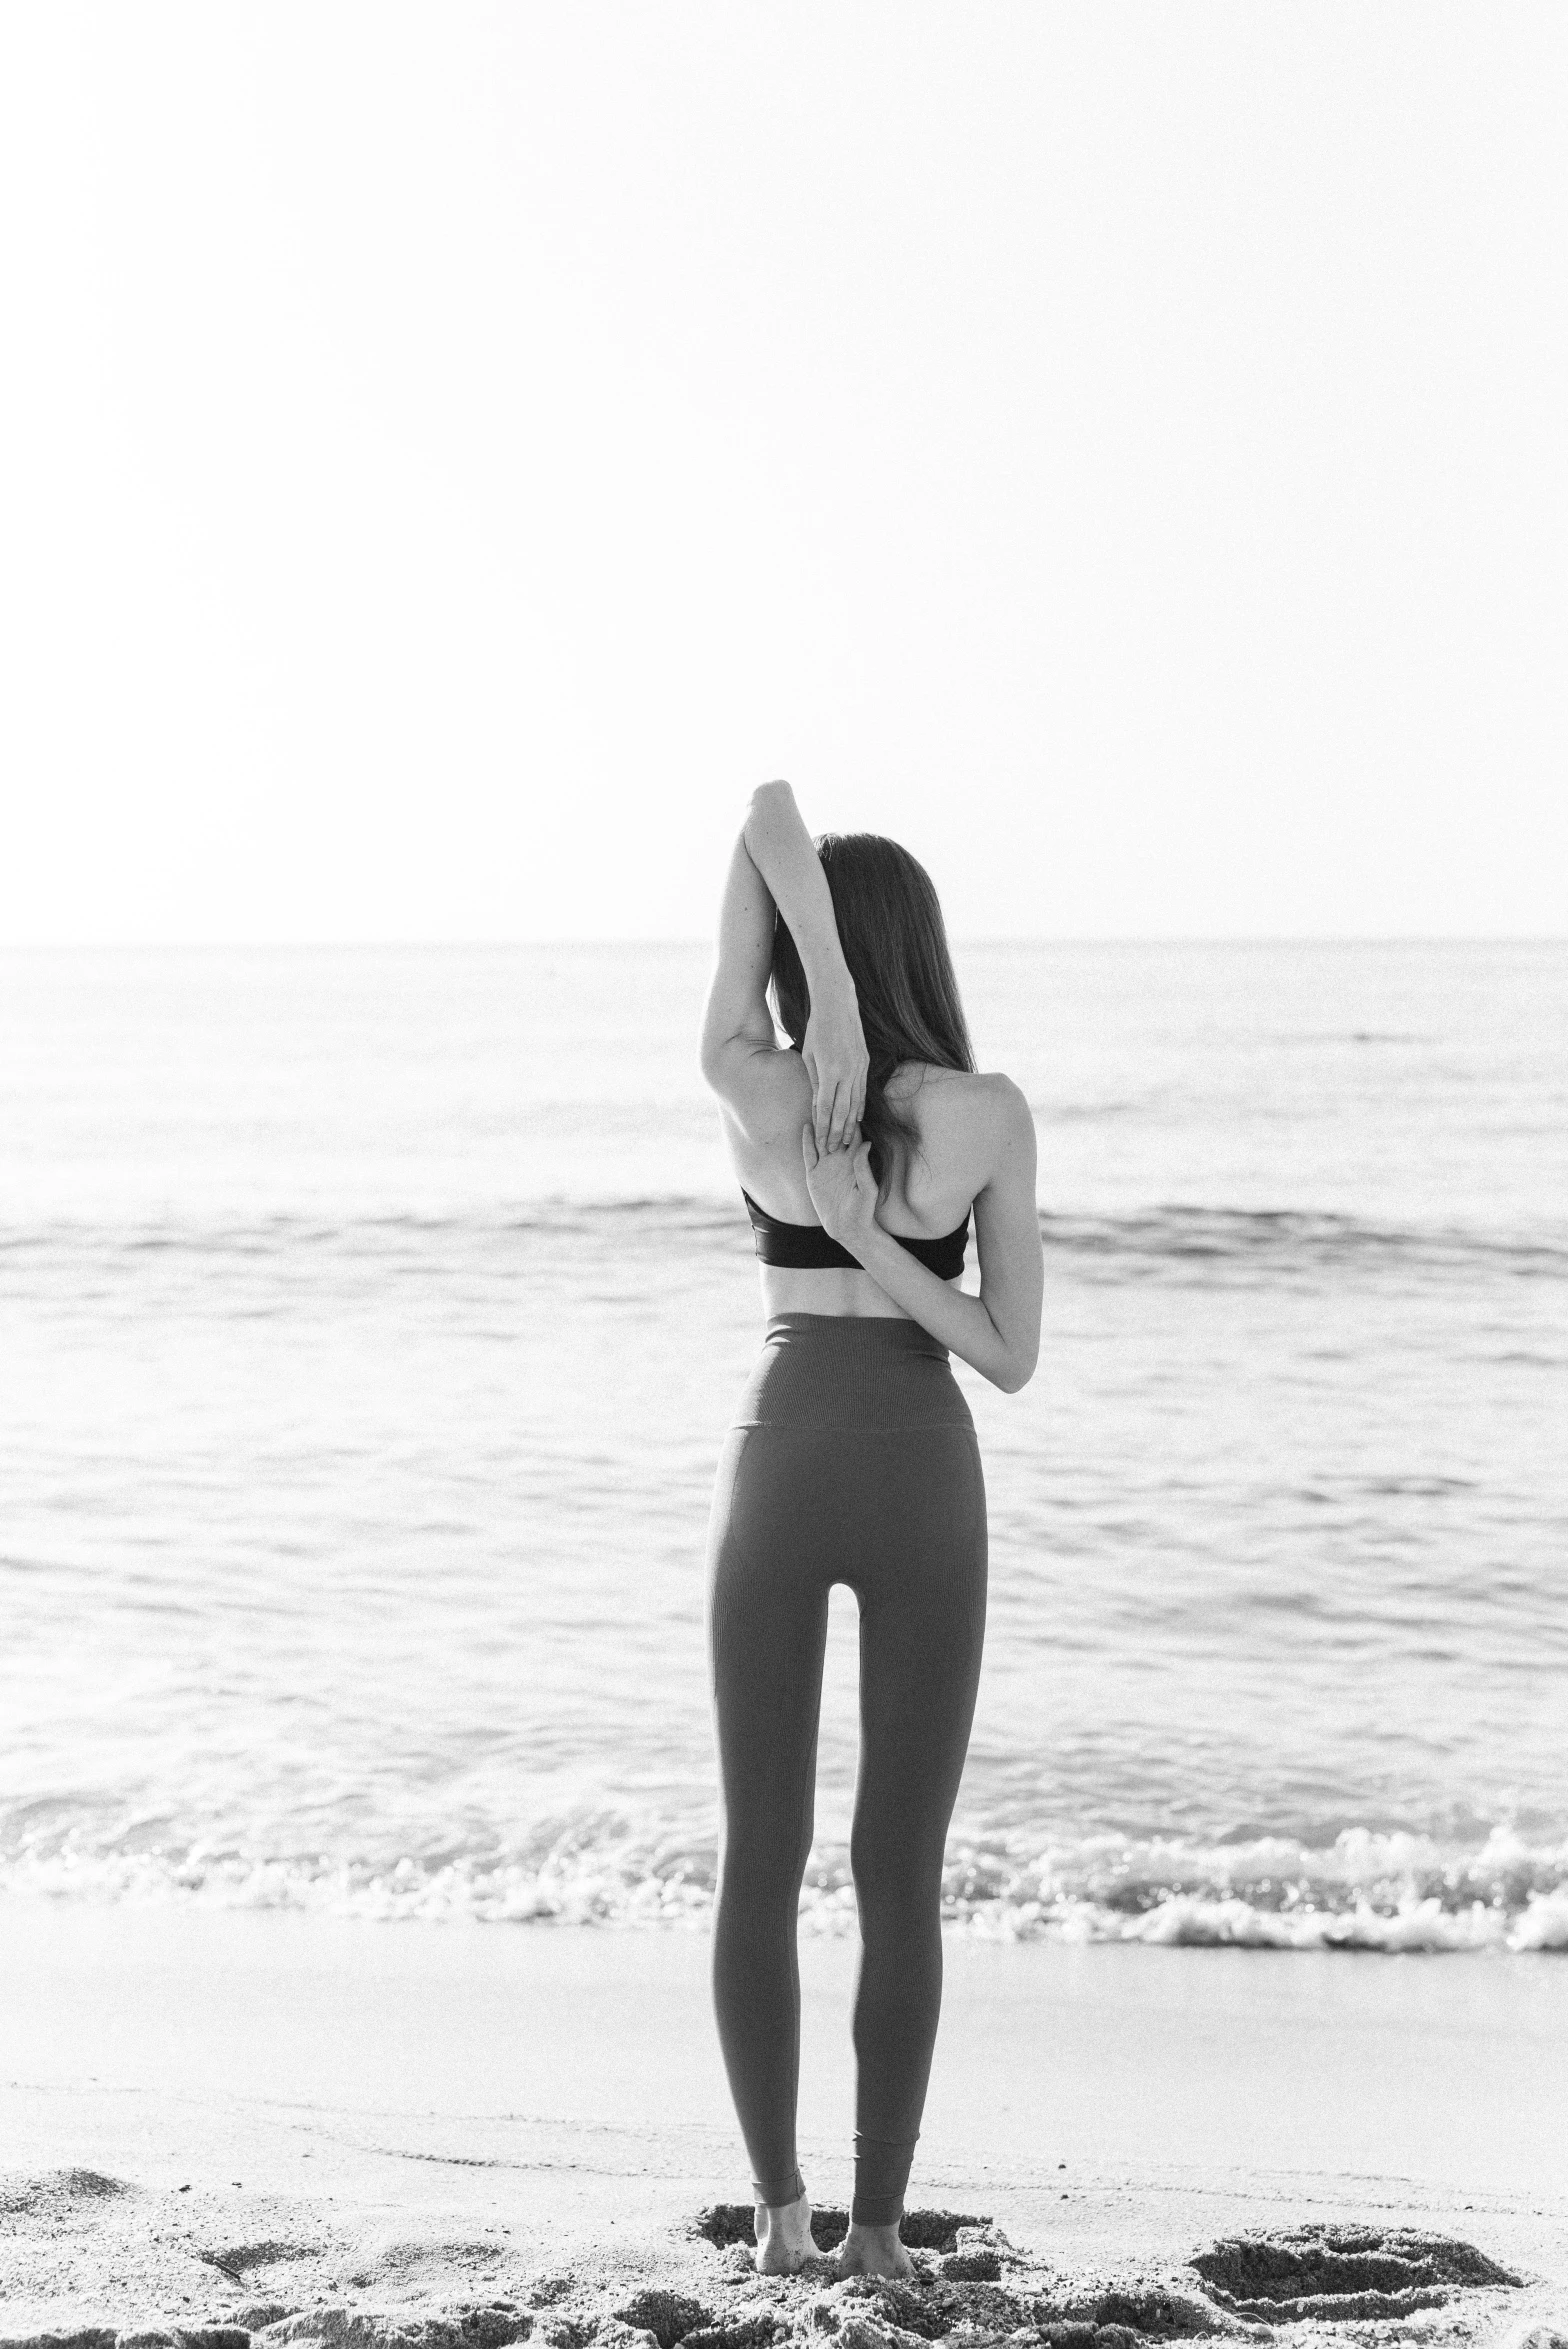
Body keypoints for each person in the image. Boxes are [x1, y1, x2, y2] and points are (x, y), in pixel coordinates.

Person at [699, 781, 1043, 2279]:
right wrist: (886, 1238)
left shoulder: (753, 1083)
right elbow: (1004, 1350)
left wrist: (818, 1007)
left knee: (760, 1858)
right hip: (920, 1474)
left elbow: (759, 808)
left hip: (778, 1463)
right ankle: (880, 2237)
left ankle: (783, 2223)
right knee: (897, 1866)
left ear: (809, 950)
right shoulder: (982, 1114)